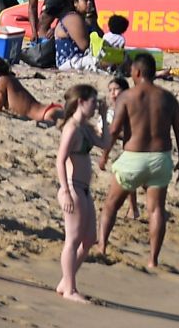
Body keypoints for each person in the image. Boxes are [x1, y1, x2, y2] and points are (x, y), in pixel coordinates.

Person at [99, 52, 179, 270]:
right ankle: (153, 260)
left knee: (111, 205)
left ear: (137, 72)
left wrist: (105, 155)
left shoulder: (127, 97)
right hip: (160, 158)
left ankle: (101, 247)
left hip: (133, 157)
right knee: (156, 209)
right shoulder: (168, 98)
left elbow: (114, 129)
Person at [53, 84, 106, 303]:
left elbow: (105, 143)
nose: (96, 105)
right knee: (73, 240)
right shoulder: (72, 128)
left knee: (90, 238)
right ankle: (70, 289)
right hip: (72, 188)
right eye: (93, 102)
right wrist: (64, 190)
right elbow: (60, 159)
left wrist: (104, 117)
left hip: (84, 188)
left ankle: (66, 281)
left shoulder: (86, 127)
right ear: (81, 102)